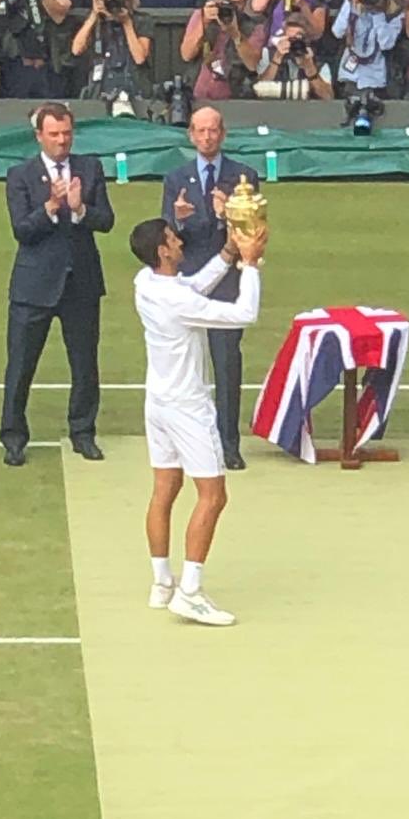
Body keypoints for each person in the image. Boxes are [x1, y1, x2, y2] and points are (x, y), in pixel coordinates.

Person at [130, 216, 267, 625]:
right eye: (172, 239)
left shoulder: (145, 282)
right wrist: (250, 264)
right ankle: (189, 591)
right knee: (213, 495)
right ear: (163, 251)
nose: (179, 241)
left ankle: (161, 583)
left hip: (157, 403)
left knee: (164, 489)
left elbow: (190, 287)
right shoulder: (177, 300)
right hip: (188, 407)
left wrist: (227, 254)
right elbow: (245, 313)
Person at [0, 102, 115, 468]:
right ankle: (13, 437)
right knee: (20, 365)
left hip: (80, 282)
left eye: (66, 134)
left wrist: (80, 210)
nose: (61, 141)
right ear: (39, 136)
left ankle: (83, 432)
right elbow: (22, 230)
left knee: (84, 364)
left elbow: (107, 221)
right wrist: (51, 206)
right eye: (54, 134)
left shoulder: (90, 168)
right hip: (34, 284)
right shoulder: (20, 175)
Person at [161, 106, 259, 469]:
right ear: (190, 135)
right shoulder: (176, 178)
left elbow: (251, 232)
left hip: (227, 283)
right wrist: (183, 221)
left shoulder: (243, 177)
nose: (207, 137)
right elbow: (169, 230)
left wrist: (225, 215)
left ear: (223, 133)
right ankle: (182, 439)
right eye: (200, 131)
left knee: (226, 364)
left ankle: (228, 444)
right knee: (184, 364)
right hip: (187, 281)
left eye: (213, 131)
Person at [72, 0, 154, 100]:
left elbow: (139, 58)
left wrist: (127, 23)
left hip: (133, 88)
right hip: (100, 89)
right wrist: (94, 15)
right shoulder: (95, 21)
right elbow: (76, 50)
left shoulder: (141, 20)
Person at [180, 0, 264, 99]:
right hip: (197, 91)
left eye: (236, 4)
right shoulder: (203, 16)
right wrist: (204, 23)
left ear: (245, 2)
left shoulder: (254, 27)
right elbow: (186, 54)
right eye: (228, 4)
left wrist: (236, 35)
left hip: (233, 95)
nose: (231, 9)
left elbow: (253, 64)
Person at [332, 0, 403, 96]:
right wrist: (354, 4)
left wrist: (378, 13)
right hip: (350, 76)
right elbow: (337, 32)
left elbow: (386, 44)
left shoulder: (394, 14)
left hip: (376, 80)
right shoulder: (351, 4)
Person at [255, 9, 334, 97]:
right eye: (291, 39)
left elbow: (328, 96)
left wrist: (310, 68)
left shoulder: (319, 61)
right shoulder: (269, 54)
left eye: (299, 39)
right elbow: (259, 89)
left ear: (307, 40)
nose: (294, 44)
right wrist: (276, 60)